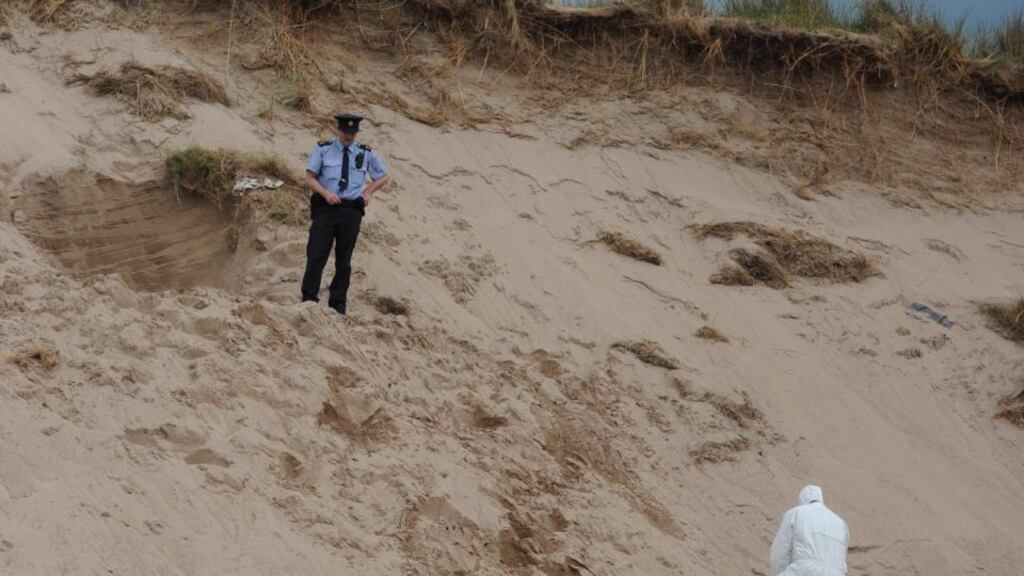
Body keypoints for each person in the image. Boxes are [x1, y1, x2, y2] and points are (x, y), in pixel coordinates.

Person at [300, 113, 390, 314]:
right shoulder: (324, 149)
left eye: (353, 132)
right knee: (316, 252)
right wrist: (325, 193)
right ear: (338, 130)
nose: (349, 136)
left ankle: (338, 303)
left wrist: (368, 192)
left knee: (344, 259)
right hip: (326, 207)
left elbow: (383, 175)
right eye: (346, 132)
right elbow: (309, 177)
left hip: (351, 209)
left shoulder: (364, 152)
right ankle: (309, 297)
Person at [770, 485, 849, 576]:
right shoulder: (841, 523)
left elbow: (780, 552)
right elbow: (842, 561)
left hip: (803, 571)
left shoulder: (795, 514)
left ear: (802, 500)